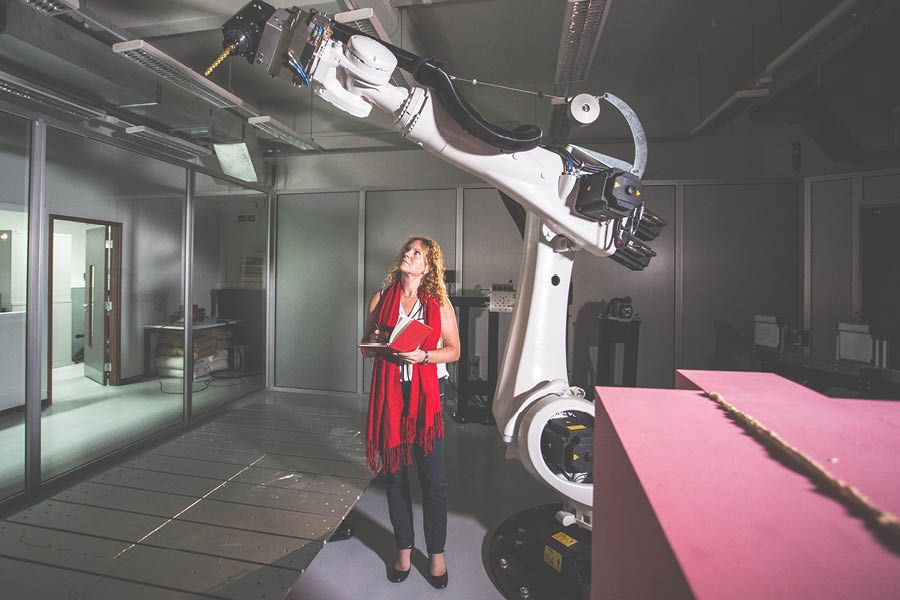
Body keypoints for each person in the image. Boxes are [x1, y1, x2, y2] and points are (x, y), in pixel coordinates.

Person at [361, 236, 460, 589]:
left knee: (434, 479)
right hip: (391, 396)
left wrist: (424, 356)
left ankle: (436, 553)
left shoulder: (439, 304)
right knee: (394, 476)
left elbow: (454, 350)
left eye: (417, 253)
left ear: (428, 266)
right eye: (408, 250)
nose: (408, 254)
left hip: (428, 396)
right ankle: (403, 548)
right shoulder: (380, 298)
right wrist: (377, 342)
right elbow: (367, 348)